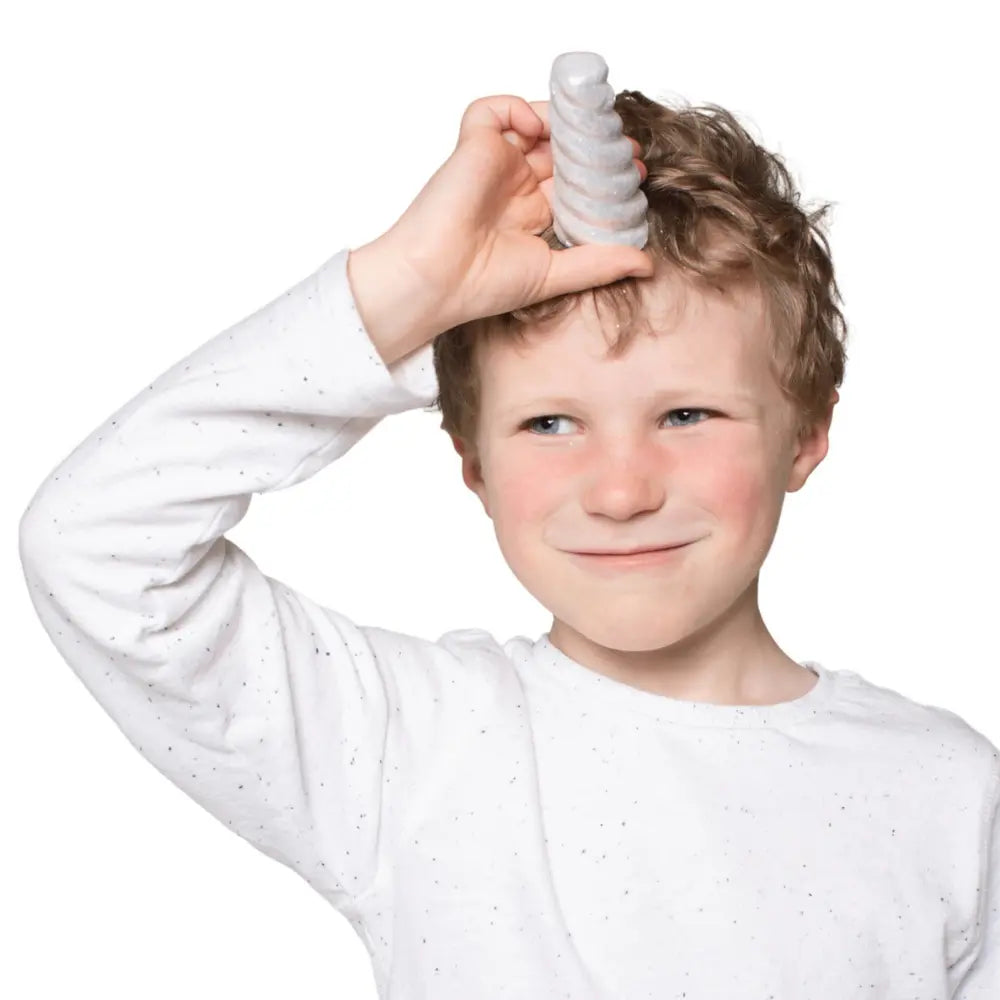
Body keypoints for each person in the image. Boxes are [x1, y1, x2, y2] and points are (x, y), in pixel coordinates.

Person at [18, 91, 997, 998]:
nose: (619, 490)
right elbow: (93, 544)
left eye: (688, 413)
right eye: (549, 424)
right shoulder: (409, 744)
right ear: (471, 466)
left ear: (808, 433)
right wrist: (404, 291)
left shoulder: (946, 791)